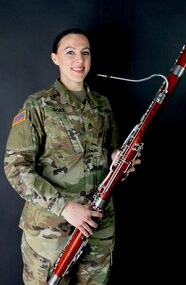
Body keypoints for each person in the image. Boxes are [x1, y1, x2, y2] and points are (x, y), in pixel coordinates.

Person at [4, 28, 141, 285]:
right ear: (55, 58)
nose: (79, 60)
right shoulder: (38, 105)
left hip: (99, 226)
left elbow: (107, 152)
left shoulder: (102, 104)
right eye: (70, 52)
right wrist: (65, 207)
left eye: (85, 53)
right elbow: (15, 167)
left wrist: (117, 158)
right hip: (50, 233)